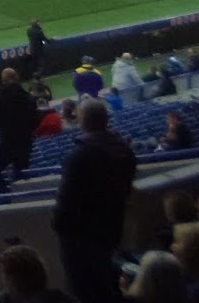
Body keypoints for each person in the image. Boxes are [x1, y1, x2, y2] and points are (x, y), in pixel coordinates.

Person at [52, 98, 136, 303]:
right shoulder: (125, 151)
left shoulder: (80, 156)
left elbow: (66, 202)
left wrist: (59, 225)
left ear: (82, 120)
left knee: (86, 291)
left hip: (81, 238)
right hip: (111, 229)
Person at [0, 67, 39, 193]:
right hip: (25, 141)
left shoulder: (0, 94)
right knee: (21, 171)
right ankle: (21, 199)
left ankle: (6, 197)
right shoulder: (26, 95)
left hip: (7, 141)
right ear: (16, 78)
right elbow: (36, 120)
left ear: (3, 80)